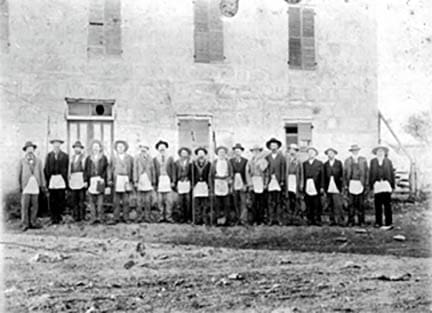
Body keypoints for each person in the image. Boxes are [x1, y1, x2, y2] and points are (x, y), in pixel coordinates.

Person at [17, 141, 46, 231]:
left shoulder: (38, 161)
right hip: (26, 185)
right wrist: (20, 185)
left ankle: (33, 222)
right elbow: (19, 174)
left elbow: (41, 173)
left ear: (34, 149)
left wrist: (43, 184)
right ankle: (25, 223)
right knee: (25, 205)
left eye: (31, 148)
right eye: (28, 148)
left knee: (35, 205)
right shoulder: (22, 161)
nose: (30, 150)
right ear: (25, 150)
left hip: (35, 185)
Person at [369, 145, 395, 229]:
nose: (380, 153)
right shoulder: (373, 162)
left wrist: (392, 185)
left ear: (384, 153)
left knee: (387, 204)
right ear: (376, 153)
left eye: (381, 151)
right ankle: (378, 222)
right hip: (377, 184)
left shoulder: (388, 161)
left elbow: (391, 173)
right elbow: (371, 173)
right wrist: (371, 185)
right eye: (378, 152)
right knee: (378, 204)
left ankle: (388, 222)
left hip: (386, 183)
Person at [44, 138, 69, 224]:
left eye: (58, 144)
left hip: (61, 178)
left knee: (60, 198)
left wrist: (66, 182)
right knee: (52, 199)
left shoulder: (65, 156)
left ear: (60, 145)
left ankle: (59, 217)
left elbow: (66, 169)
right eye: (55, 145)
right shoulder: (49, 155)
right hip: (52, 179)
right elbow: (46, 168)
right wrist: (47, 180)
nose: (56, 146)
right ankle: (53, 217)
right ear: (53, 146)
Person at [84, 140, 109, 224]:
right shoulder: (88, 158)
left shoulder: (103, 158)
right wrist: (85, 181)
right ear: (91, 148)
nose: (95, 148)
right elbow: (86, 170)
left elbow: (106, 170)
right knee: (91, 201)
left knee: (100, 201)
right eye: (94, 147)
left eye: (97, 147)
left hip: (100, 180)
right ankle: (93, 218)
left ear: (100, 148)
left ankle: (101, 218)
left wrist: (105, 181)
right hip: (91, 180)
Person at [344, 144, 369, 226]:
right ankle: (351, 221)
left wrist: (366, 183)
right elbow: (344, 174)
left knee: (360, 204)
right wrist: (345, 184)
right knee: (351, 204)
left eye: (356, 150)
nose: (355, 152)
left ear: (358, 151)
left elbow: (367, 172)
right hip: (351, 183)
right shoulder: (347, 160)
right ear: (351, 152)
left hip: (360, 183)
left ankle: (361, 221)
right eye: (353, 151)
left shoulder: (363, 160)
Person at [111, 140, 134, 224]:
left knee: (126, 200)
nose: (120, 148)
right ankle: (115, 217)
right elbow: (110, 169)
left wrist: (131, 180)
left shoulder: (129, 158)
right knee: (116, 200)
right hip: (117, 179)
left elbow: (132, 169)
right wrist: (110, 179)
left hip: (126, 179)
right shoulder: (113, 158)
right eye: (118, 147)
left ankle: (126, 217)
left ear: (125, 148)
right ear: (116, 149)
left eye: (122, 146)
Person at [153, 140, 176, 223]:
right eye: (160, 147)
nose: (162, 148)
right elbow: (154, 171)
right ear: (157, 149)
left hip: (167, 179)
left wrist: (173, 181)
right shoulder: (155, 159)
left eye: (163, 147)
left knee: (169, 200)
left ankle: (168, 216)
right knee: (160, 200)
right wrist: (154, 182)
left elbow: (173, 170)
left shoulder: (170, 158)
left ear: (166, 148)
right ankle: (161, 216)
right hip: (160, 179)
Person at [264, 138, 286, 225]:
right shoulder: (267, 157)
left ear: (278, 147)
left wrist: (282, 180)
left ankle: (279, 219)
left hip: (278, 181)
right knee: (270, 201)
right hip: (270, 181)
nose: (273, 147)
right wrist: (266, 182)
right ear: (269, 147)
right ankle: (270, 219)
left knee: (278, 201)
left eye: (275, 145)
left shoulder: (281, 157)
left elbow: (283, 169)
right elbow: (265, 170)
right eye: (272, 146)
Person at [210, 146, 233, 226]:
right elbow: (211, 175)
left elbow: (231, 173)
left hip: (225, 183)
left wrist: (229, 181)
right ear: (217, 154)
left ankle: (227, 220)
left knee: (227, 204)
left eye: (223, 152)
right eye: (220, 153)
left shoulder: (228, 162)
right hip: (217, 183)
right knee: (217, 204)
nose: (222, 154)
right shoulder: (214, 162)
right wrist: (211, 187)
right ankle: (217, 220)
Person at [133, 143, 156, 223]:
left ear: (147, 149)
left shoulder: (150, 158)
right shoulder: (136, 158)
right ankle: (139, 217)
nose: (143, 150)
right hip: (140, 179)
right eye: (142, 148)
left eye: (145, 148)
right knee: (139, 200)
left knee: (147, 200)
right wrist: (135, 181)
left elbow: (153, 170)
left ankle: (147, 217)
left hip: (148, 180)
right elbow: (135, 169)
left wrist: (153, 181)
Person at [246, 144, 268, 225]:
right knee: (254, 202)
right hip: (253, 181)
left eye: (257, 151)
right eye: (254, 151)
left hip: (261, 181)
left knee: (261, 202)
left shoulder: (264, 161)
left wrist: (265, 183)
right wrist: (250, 184)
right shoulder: (250, 161)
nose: (256, 152)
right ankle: (254, 220)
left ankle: (261, 219)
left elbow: (266, 173)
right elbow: (247, 173)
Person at [303, 147, 324, 226]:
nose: (311, 154)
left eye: (312, 152)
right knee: (308, 202)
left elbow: (322, 176)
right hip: (307, 183)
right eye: (309, 152)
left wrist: (322, 186)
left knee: (316, 203)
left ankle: (317, 220)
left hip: (316, 184)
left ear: (315, 154)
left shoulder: (319, 163)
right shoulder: (304, 163)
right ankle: (309, 220)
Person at [323, 148, 344, 226]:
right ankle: (332, 221)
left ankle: (340, 220)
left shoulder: (339, 163)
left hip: (336, 185)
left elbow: (342, 175)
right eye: (329, 153)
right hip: (328, 185)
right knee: (330, 204)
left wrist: (342, 185)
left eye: (332, 153)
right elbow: (324, 176)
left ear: (334, 154)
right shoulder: (325, 164)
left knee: (338, 204)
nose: (330, 155)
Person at [229, 143, 249, 225]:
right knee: (235, 202)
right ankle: (237, 218)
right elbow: (230, 172)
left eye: (239, 151)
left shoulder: (245, 161)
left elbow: (247, 173)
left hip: (242, 182)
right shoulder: (230, 161)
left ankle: (243, 219)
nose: (237, 152)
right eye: (236, 151)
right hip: (234, 183)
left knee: (243, 201)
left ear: (241, 152)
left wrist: (246, 184)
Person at [285, 143, 304, 225]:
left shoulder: (299, 161)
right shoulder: (286, 160)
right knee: (288, 199)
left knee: (296, 199)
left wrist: (301, 183)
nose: (292, 152)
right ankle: (289, 218)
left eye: (294, 150)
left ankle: (296, 217)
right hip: (288, 180)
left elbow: (302, 173)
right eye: (291, 150)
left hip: (295, 181)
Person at [192, 147, 211, 225]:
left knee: (205, 203)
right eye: (199, 153)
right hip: (197, 184)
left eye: (202, 153)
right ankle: (197, 219)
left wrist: (209, 185)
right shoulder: (193, 164)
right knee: (197, 203)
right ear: (197, 155)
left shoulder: (208, 164)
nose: (201, 155)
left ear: (204, 154)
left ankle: (205, 219)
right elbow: (191, 174)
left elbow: (210, 175)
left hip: (204, 184)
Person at [69, 141, 87, 222]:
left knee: (81, 199)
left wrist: (85, 180)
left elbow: (85, 170)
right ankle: (75, 216)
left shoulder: (83, 158)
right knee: (74, 199)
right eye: (76, 147)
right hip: (73, 179)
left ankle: (82, 216)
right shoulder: (72, 158)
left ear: (81, 149)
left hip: (81, 178)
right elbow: (69, 170)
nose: (77, 149)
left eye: (79, 148)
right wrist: (69, 179)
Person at [175, 147, 193, 223]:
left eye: (185, 153)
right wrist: (175, 182)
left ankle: (188, 217)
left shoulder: (191, 162)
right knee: (180, 200)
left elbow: (192, 173)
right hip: (180, 182)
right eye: (182, 153)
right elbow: (175, 172)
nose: (184, 154)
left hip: (187, 182)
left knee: (188, 200)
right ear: (180, 154)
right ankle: (181, 217)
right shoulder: (177, 162)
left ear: (188, 154)